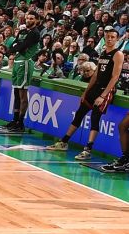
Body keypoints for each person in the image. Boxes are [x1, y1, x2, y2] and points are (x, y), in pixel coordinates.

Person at [49, 27, 125, 160]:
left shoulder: (118, 54)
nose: (110, 39)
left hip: (105, 91)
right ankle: (64, 142)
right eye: (108, 36)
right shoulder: (103, 52)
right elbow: (95, 75)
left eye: (113, 37)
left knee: (95, 118)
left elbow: (115, 77)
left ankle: (88, 150)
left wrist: (103, 96)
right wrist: (86, 91)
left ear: (117, 39)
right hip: (95, 88)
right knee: (79, 113)